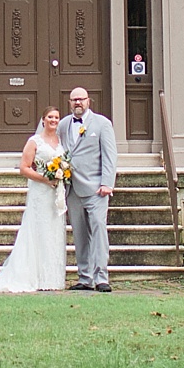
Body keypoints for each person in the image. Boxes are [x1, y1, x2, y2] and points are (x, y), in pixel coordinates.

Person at [0, 107, 69, 293]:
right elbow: (24, 168)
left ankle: (52, 278)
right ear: (43, 120)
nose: (54, 120)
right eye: (50, 117)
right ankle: (33, 276)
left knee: (53, 233)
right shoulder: (34, 142)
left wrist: (61, 174)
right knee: (38, 232)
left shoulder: (60, 141)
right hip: (40, 192)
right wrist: (44, 179)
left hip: (55, 194)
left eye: (56, 117)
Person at [58, 86, 117, 291]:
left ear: (88, 101)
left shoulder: (102, 124)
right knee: (79, 234)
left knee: (98, 231)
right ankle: (85, 278)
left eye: (81, 99)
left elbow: (110, 155)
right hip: (72, 189)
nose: (78, 103)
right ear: (69, 103)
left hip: (95, 189)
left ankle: (101, 277)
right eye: (74, 100)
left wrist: (107, 183)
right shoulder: (64, 124)